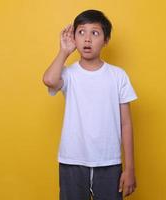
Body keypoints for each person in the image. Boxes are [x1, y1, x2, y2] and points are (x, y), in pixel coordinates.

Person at [43, 9, 138, 200]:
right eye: (81, 32)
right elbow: (49, 80)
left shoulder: (118, 75)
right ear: (74, 38)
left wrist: (130, 169)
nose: (87, 39)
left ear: (105, 40)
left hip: (109, 162)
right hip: (73, 160)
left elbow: (126, 124)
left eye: (95, 33)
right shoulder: (69, 74)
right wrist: (64, 51)